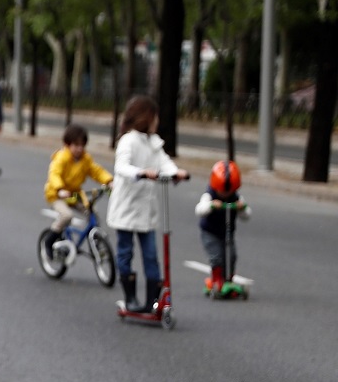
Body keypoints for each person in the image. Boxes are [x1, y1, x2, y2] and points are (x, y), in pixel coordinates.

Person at [107, 95, 189, 312]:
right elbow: (121, 167)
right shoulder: (128, 140)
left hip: (146, 209)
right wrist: (142, 173)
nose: (157, 121)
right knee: (125, 252)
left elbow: (164, 162)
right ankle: (130, 297)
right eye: (155, 116)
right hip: (126, 207)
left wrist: (176, 173)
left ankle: (152, 300)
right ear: (146, 117)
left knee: (151, 255)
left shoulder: (154, 142)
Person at [43, 123, 113, 239]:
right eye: (76, 145)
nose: (80, 149)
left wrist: (109, 181)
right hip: (56, 195)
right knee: (67, 216)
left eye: (82, 145)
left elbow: (96, 171)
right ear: (67, 144)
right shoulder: (61, 158)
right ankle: (50, 238)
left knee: (92, 213)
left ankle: (94, 239)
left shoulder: (85, 159)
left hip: (74, 194)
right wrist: (60, 189)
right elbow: (54, 174)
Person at [195, 159, 251, 291]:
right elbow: (199, 210)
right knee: (216, 256)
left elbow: (247, 215)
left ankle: (229, 280)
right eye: (222, 192)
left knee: (231, 256)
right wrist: (211, 205)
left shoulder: (236, 197)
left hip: (228, 232)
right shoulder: (209, 195)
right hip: (210, 232)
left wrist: (241, 208)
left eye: (229, 192)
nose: (226, 194)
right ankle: (217, 280)